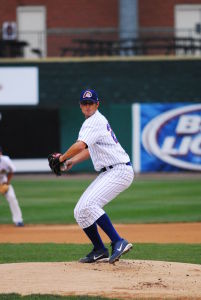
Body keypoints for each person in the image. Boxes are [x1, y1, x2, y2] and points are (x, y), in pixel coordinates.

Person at [49, 89, 134, 264]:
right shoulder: (94, 121)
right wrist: (71, 161)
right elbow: (89, 149)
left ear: (97, 104)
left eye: (91, 103)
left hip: (119, 170)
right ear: (80, 106)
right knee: (80, 211)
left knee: (89, 204)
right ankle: (99, 249)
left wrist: (62, 158)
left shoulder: (94, 121)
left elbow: (80, 145)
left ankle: (118, 241)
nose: (87, 106)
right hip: (111, 171)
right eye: (84, 103)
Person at [0, 146, 24, 227]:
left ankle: (18, 221)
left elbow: (12, 170)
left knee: (12, 197)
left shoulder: (5, 160)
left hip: (3, 182)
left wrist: (6, 183)